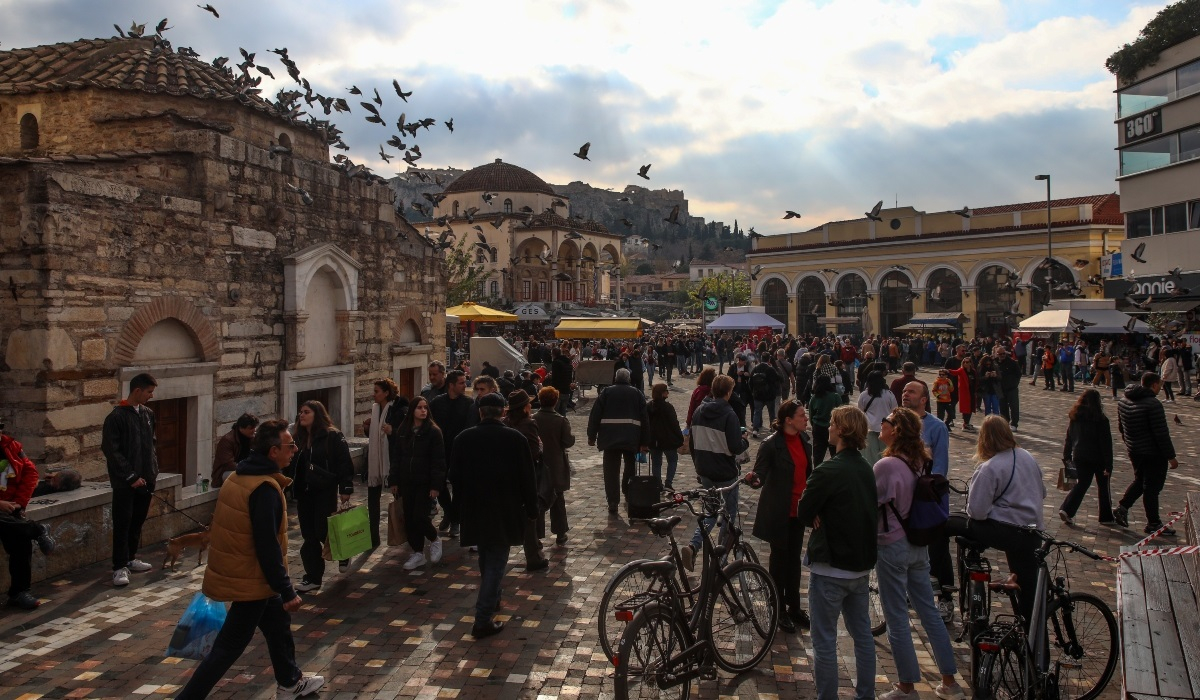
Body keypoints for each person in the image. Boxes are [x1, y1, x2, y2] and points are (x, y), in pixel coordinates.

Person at [175, 420, 324, 700]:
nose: (294, 450)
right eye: (289, 446)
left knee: (278, 627)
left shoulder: (238, 477)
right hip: (251, 580)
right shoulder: (264, 489)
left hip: (249, 576)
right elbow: (267, 546)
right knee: (228, 647)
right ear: (272, 452)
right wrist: (287, 590)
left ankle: (290, 682)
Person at [873, 408, 964, 700]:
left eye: (885, 422)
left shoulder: (886, 465)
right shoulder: (922, 460)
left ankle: (906, 686)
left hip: (893, 543)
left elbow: (871, 502)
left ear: (895, 430)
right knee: (928, 612)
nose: (881, 426)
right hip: (918, 541)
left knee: (897, 615)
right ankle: (950, 681)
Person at [795, 406, 878, 700]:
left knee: (825, 641)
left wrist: (814, 513)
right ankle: (865, 694)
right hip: (859, 565)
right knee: (863, 637)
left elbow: (804, 510)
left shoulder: (828, 470)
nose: (827, 427)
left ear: (842, 430)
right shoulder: (866, 468)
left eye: (831, 423)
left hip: (831, 566)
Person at [449, 392, 539, 639]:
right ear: (502, 412)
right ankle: (482, 618)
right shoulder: (515, 439)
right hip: (505, 508)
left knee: (487, 556)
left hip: (475, 507)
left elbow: (454, 477)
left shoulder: (463, 438)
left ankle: (493, 598)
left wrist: (457, 509)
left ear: (480, 412)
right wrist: (532, 509)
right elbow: (527, 478)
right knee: (496, 561)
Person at [948, 415, 1045, 627]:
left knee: (947, 522)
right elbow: (1042, 493)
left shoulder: (990, 467)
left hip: (1004, 531)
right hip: (1032, 532)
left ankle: (941, 580)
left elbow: (977, 511)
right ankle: (1035, 649)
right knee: (1029, 594)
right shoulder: (1027, 457)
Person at [746, 400, 812, 634]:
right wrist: (754, 478)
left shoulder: (804, 441)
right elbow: (761, 475)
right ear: (788, 420)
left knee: (794, 560)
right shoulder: (771, 445)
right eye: (802, 415)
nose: (806, 419)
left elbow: (808, 475)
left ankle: (794, 607)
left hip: (798, 511)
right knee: (779, 560)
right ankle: (778, 608)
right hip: (779, 510)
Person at [679, 374, 748, 571]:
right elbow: (735, 447)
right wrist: (745, 440)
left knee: (710, 511)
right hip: (725, 472)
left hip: (705, 469)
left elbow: (692, 443)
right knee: (728, 514)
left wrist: (698, 466)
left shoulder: (699, 411)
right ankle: (721, 557)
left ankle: (694, 545)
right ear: (728, 392)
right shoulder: (729, 414)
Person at [900, 380, 953, 618]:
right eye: (904, 391)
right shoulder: (898, 423)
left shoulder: (936, 427)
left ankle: (946, 597)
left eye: (911, 392)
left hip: (930, 498)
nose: (905, 394)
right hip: (905, 497)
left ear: (923, 399)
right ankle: (914, 591)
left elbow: (940, 467)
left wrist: (925, 488)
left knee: (938, 547)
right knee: (911, 547)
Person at [101, 372, 160, 587]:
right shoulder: (116, 417)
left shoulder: (148, 414)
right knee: (123, 523)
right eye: (149, 392)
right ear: (138, 391)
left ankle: (131, 557)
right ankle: (119, 566)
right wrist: (131, 476)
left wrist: (152, 470)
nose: (151, 396)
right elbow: (112, 450)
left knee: (137, 521)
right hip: (125, 483)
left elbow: (152, 444)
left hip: (146, 479)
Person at [290, 400, 353, 593]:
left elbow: (344, 461)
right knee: (308, 535)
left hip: (324, 489)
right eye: (300, 412)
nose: (302, 415)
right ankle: (313, 577)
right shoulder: (298, 438)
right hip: (304, 492)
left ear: (317, 414)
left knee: (321, 530)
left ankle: (343, 550)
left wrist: (346, 488)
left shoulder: (332, 435)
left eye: (306, 412)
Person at [1115, 372, 1179, 535]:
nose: (1161, 387)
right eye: (1160, 384)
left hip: (1135, 450)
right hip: (1152, 453)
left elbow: (1121, 427)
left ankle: (1122, 507)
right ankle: (1153, 523)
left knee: (1140, 481)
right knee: (1152, 488)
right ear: (1154, 385)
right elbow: (1161, 434)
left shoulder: (1124, 400)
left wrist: (1129, 443)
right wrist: (1171, 457)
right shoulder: (1153, 404)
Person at [0, 422, 55, 610]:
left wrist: (19, 503)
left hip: (10, 507)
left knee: (20, 540)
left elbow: (31, 473)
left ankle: (19, 592)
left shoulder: (12, 447)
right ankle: (38, 529)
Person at [388, 396, 446, 570]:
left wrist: (436, 485)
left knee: (420, 516)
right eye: (419, 407)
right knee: (409, 518)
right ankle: (418, 552)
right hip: (407, 481)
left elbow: (438, 461)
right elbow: (396, 457)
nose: (423, 411)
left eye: (425, 408)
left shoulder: (433, 432)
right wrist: (394, 479)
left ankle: (435, 539)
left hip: (425, 481)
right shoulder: (403, 430)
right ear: (412, 410)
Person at [587, 368, 651, 514]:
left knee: (610, 471)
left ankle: (613, 501)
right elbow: (645, 419)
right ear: (628, 379)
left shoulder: (606, 392)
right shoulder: (637, 393)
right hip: (631, 437)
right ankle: (628, 492)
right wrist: (645, 442)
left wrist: (591, 435)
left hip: (609, 438)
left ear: (615, 378)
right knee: (630, 467)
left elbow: (595, 415)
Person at [503, 390, 550, 572]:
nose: (531, 406)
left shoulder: (505, 423)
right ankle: (534, 557)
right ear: (524, 408)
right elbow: (533, 452)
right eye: (529, 404)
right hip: (526, 476)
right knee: (530, 518)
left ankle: (503, 554)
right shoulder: (529, 424)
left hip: (508, 476)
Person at [1059, 389, 1115, 526]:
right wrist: (1109, 464)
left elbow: (1069, 438)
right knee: (1103, 487)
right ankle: (1106, 516)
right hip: (1098, 458)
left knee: (1081, 484)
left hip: (1079, 455)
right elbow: (1106, 444)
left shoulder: (1075, 417)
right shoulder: (1101, 419)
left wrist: (1066, 456)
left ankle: (1066, 509)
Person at [364, 379, 407, 549]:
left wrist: (392, 431)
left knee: (400, 500)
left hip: (393, 463)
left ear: (386, 393)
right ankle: (373, 538)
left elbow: (405, 436)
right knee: (372, 502)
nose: (373, 394)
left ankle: (405, 533)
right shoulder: (375, 410)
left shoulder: (398, 410)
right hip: (375, 465)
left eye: (376, 391)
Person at [430, 370, 472, 537]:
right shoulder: (437, 402)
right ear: (451, 385)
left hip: (460, 451)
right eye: (461, 382)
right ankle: (450, 513)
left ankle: (455, 520)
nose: (464, 385)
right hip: (440, 449)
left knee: (458, 487)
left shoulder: (468, 403)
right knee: (439, 484)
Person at [533, 387, 575, 546]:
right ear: (555, 401)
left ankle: (537, 535)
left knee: (539, 499)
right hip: (556, 464)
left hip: (539, 464)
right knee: (558, 500)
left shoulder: (533, 419)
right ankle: (560, 532)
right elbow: (567, 441)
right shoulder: (561, 420)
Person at [647, 383, 684, 489]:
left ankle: (658, 484)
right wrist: (680, 438)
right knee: (672, 460)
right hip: (668, 440)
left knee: (656, 463)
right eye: (666, 391)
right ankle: (668, 482)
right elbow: (674, 424)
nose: (668, 392)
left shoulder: (649, 406)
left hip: (654, 440)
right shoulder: (668, 407)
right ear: (662, 393)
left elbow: (646, 424)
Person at [857, 370, 897, 465]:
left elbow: (860, 410)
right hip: (886, 428)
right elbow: (895, 410)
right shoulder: (889, 394)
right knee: (886, 453)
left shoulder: (864, 395)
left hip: (869, 427)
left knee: (870, 455)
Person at [212, 413, 259, 488]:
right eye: (251, 428)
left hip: (244, 468)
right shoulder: (227, 440)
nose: (254, 430)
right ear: (241, 428)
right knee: (248, 478)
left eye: (255, 427)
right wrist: (248, 469)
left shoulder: (252, 438)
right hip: (225, 473)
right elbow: (229, 464)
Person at [806, 374, 839, 465]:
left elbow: (811, 414)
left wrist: (813, 425)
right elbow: (841, 412)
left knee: (818, 454)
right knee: (835, 453)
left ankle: (817, 472)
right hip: (833, 427)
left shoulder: (815, 397)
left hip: (818, 427)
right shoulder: (835, 396)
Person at [749, 355, 781, 438]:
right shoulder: (770, 369)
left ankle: (755, 429)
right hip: (769, 395)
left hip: (758, 395)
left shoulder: (756, 368)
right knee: (771, 412)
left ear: (761, 359)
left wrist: (753, 391)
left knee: (757, 412)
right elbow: (779, 379)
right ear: (769, 360)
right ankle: (772, 428)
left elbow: (750, 381)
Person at [996, 347, 1022, 429]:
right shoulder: (995, 362)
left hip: (1012, 388)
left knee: (1014, 406)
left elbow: (1019, 374)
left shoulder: (1012, 362)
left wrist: (1015, 383)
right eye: (1000, 354)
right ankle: (1005, 422)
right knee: (1002, 407)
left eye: (1004, 353)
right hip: (1001, 389)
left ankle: (1014, 424)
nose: (1002, 355)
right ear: (997, 354)